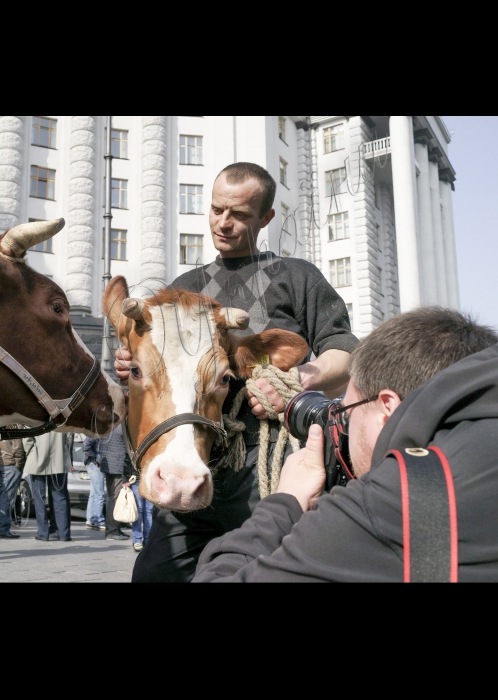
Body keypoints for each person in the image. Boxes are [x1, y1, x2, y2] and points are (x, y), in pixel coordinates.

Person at [115, 162, 359, 583]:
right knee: (154, 575)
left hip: (269, 470)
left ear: (266, 218)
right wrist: (134, 363)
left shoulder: (296, 276)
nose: (223, 223)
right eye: (215, 209)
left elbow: (345, 353)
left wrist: (300, 378)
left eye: (239, 214)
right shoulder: (185, 284)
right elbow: (160, 364)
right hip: (196, 461)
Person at [193, 308, 498, 582]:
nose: (338, 426)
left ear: (387, 410)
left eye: (345, 412)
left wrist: (285, 502)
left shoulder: (387, 504)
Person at [84, 425, 131, 541]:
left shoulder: (106, 425)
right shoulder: (122, 426)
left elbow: (87, 444)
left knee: (112, 497)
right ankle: (112, 531)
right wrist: (93, 458)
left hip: (107, 465)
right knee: (115, 498)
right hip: (118, 466)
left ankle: (115, 528)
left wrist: (94, 458)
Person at [24, 432, 73, 542]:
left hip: (37, 457)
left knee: (39, 499)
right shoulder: (62, 415)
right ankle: (64, 534)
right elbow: (69, 437)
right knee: (60, 498)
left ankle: (43, 533)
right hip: (58, 458)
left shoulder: (36, 414)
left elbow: (27, 438)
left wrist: (31, 452)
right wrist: (64, 449)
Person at [0, 430, 26, 539]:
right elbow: (17, 446)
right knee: (7, 498)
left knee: (2, 496)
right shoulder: (13, 424)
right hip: (10, 463)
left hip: (1, 461)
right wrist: (19, 463)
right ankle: (2, 528)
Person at [123, 450, 152, 553]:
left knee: (149, 511)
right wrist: (126, 479)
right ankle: (137, 539)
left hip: (150, 480)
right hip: (136, 480)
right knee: (138, 511)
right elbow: (127, 460)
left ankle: (148, 539)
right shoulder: (135, 446)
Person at [84, 434, 107, 532]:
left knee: (94, 493)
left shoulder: (96, 432)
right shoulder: (96, 432)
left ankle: (90, 520)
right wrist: (94, 459)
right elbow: (86, 445)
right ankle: (99, 520)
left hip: (92, 463)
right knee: (99, 493)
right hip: (94, 464)